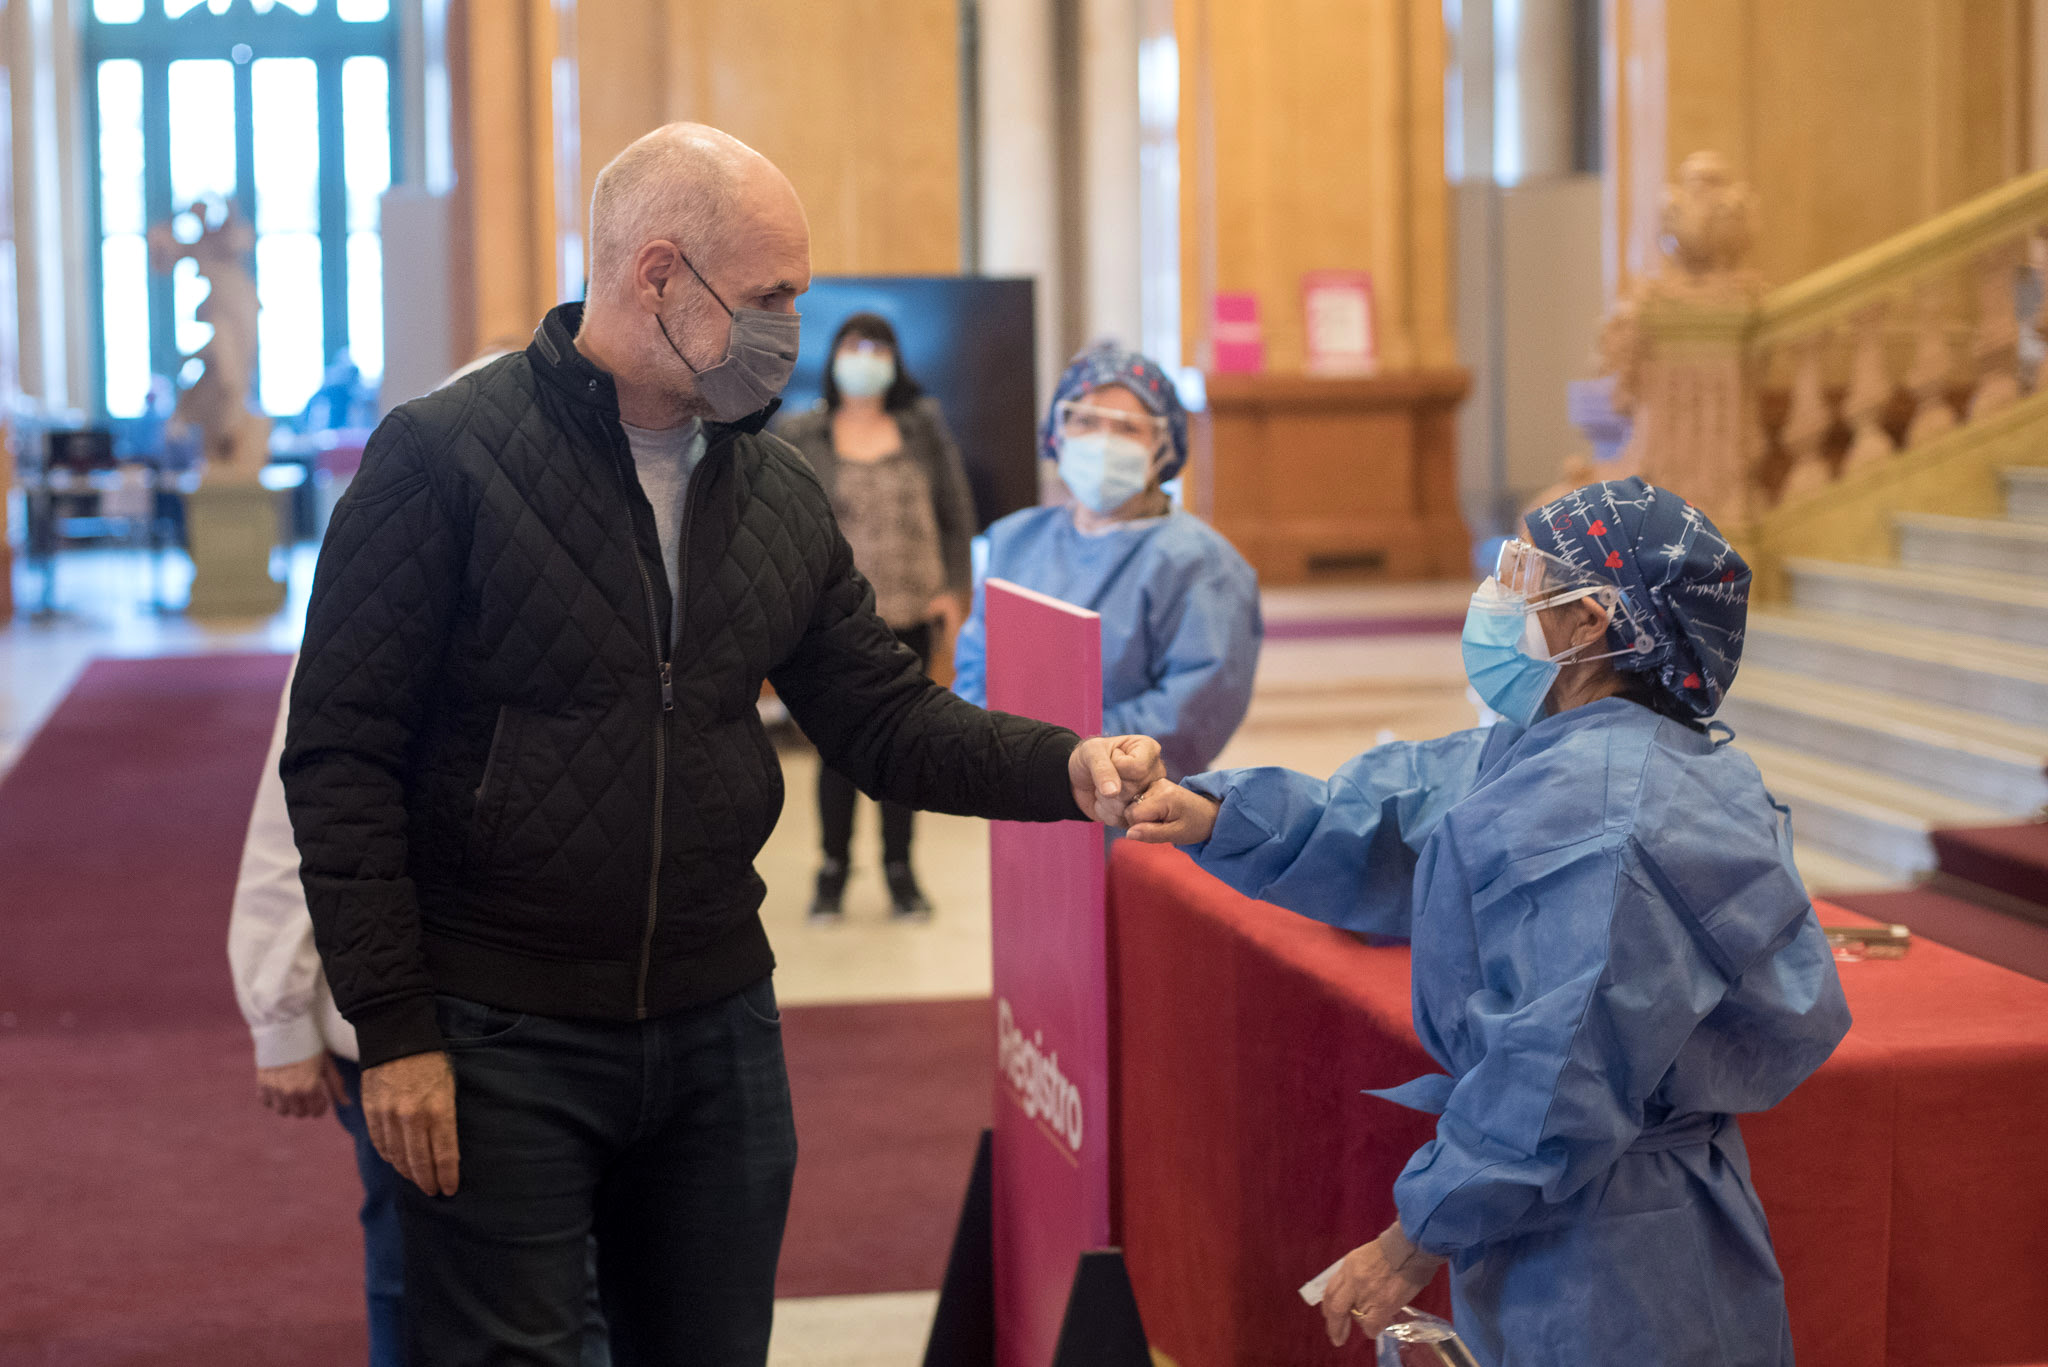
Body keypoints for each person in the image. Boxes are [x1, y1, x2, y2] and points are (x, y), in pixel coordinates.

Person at [279, 122, 1163, 1367]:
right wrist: (397, 1028)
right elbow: (339, 757)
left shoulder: (775, 488)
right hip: (498, 1030)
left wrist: (1063, 765)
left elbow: (881, 714)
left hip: (714, 1027)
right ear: (656, 277)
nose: (796, 329)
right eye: (769, 296)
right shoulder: (444, 460)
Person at [1125, 478, 1851, 1367]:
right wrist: (1216, 812)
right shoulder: (1566, 744)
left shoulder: (1602, 820)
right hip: (1581, 1204)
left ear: (1589, 621)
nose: (1499, 594)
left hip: (1616, 1241)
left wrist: (1414, 1237)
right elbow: (1401, 811)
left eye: (1520, 570)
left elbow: (1554, 1079)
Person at [951, 342, 1262, 781]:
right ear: (1057, 432)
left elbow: (1195, 708)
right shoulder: (1014, 541)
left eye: (1127, 428)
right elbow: (976, 669)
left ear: (1163, 446)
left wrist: (1068, 756)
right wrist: (1002, 749)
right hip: (1014, 789)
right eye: (1085, 421)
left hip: (1138, 804)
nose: (1103, 440)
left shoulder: (1203, 566)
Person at [228, 658, 404, 1367]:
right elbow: (298, 814)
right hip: (394, 1020)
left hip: (575, 1009)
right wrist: (281, 1019)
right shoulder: (382, 571)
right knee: (411, 1272)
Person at [777, 313, 977, 919]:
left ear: (894, 359)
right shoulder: (801, 432)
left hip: (912, 608)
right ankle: (832, 868)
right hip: (832, 619)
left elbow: (955, 512)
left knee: (902, 747)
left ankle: (900, 869)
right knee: (836, 750)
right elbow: (784, 524)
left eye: (877, 348)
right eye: (852, 347)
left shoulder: (922, 426)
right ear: (834, 358)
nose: (864, 358)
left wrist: (954, 588)